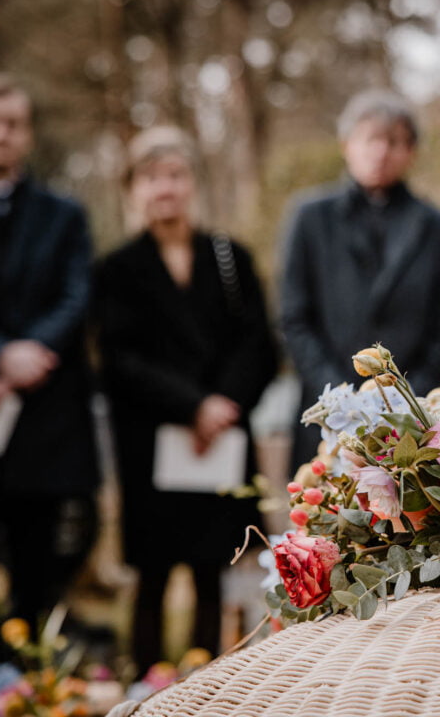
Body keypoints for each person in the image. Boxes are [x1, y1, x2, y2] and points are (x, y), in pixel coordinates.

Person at [94, 126, 277, 671]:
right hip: (151, 442)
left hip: (219, 440)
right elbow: (119, 359)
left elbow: (259, 345)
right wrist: (190, 406)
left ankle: (209, 685)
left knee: (211, 569)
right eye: (151, 178)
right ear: (133, 190)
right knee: (151, 574)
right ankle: (144, 688)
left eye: (174, 175)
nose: (164, 188)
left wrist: (221, 405)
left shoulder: (230, 258)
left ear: (192, 183)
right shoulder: (116, 269)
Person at [0, 73, 98, 676]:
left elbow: (76, 299)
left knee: (37, 567)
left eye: (12, 123)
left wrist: (24, 359)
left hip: (41, 424)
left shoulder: (63, 215)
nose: (1, 133)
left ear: (26, 134)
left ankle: (29, 685)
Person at [280, 89, 440, 469]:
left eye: (393, 141)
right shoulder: (309, 218)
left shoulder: (438, 227)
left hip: (411, 421)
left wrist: (411, 399)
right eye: (370, 139)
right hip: (326, 416)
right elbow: (294, 318)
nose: (381, 151)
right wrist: (342, 399)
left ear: (410, 152)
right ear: (347, 145)